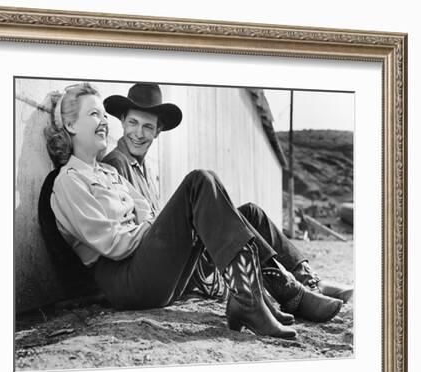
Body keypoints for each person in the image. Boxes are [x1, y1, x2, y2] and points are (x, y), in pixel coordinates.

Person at [41, 82, 344, 341]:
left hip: (146, 269)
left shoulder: (109, 176)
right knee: (200, 181)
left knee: (244, 211)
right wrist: (173, 226)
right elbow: (115, 245)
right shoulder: (68, 181)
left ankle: (274, 292)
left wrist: (172, 225)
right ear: (70, 125)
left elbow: (148, 212)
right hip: (124, 281)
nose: (104, 121)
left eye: (103, 114)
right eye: (94, 114)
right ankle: (258, 298)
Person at [101, 83, 353, 309]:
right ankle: (288, 289)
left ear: (158, 131)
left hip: (170, 261)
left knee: (251, 213)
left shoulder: (144, 168)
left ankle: (308, 279)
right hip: (153, 271)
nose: (139, 133)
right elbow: (128, 237)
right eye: (133, 123)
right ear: (122, 121)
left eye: (148, 127)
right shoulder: (115, 165)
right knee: (205, 189)